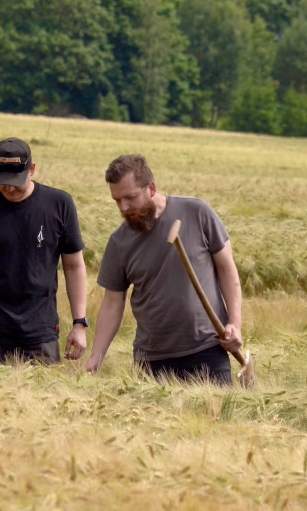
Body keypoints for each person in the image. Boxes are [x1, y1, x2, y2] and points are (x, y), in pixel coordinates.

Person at [83, 154, 243, 385]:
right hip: (151, 360)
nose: (124, 207)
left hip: (207, 350)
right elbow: (112, 302)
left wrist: (235, 324)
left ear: (151, 188)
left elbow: (227, 271)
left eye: (130, 197)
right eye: (117, 200)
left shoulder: (197, 212)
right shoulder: (119, 241)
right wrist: (96, 357)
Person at [0, 137, 89, 364]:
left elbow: (74, 266)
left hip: (42, 333)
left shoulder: (59, 204)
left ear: (32, 169)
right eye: (3, 180)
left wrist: (79, 324)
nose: (10, 187)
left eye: (16, 180)